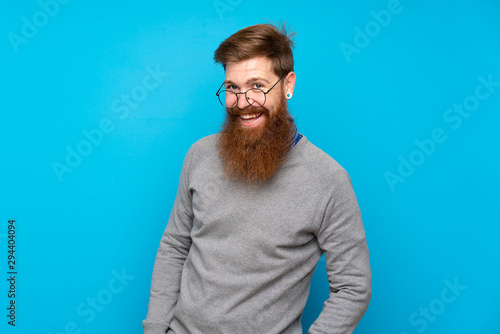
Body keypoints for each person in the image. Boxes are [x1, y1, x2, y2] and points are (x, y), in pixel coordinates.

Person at [143, 23, 371, 334]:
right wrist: (156, 328)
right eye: (232, 88)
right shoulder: (199, 154)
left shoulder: (328, 180)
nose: (242, 102)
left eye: (257, 86)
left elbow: (353, 288)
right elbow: (174, 245)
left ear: (287, 84)